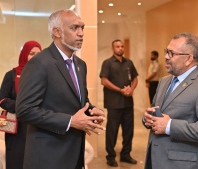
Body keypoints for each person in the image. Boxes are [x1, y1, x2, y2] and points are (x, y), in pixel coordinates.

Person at [15, 9, 105, 169]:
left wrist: (91, 111)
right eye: (74, 28)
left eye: (82, 28)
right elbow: (25, 110)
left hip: (75, 154)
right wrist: (70, 121)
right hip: (48, 158)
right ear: (57, 32)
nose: (81, 33)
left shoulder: (80, 65)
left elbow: (79, 102)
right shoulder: (39, 63)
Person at [142, 32, 198, 169]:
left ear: (188, 59)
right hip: (156, 160)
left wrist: (169, 126)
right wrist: (147, 118)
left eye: (172, 53)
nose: (166, 57)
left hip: (184, 164)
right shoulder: (164, 81)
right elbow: (155, 111)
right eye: (166, 51)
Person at [0, 40, 41, 169]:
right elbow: (2, 99)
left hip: (38, 126)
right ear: (24, 55)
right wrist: (22, 106)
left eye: (38, 54)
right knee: (16, 162)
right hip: (17, 128)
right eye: (31, 53)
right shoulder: (11, 75)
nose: (35, 57)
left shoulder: (44, 75)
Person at [100, 39, 138, 167]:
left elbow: (135, 78)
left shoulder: (129, 63)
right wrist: (120, 90)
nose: (120, 48)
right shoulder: (107, 63)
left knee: (128, 131)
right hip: (114, 103)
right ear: (113, 48)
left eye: (122, 46)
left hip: (128, 103)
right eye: (117, 46)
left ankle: (125, 155)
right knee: (112, 131)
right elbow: (104, 81)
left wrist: (131, 89)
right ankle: (110, 156)